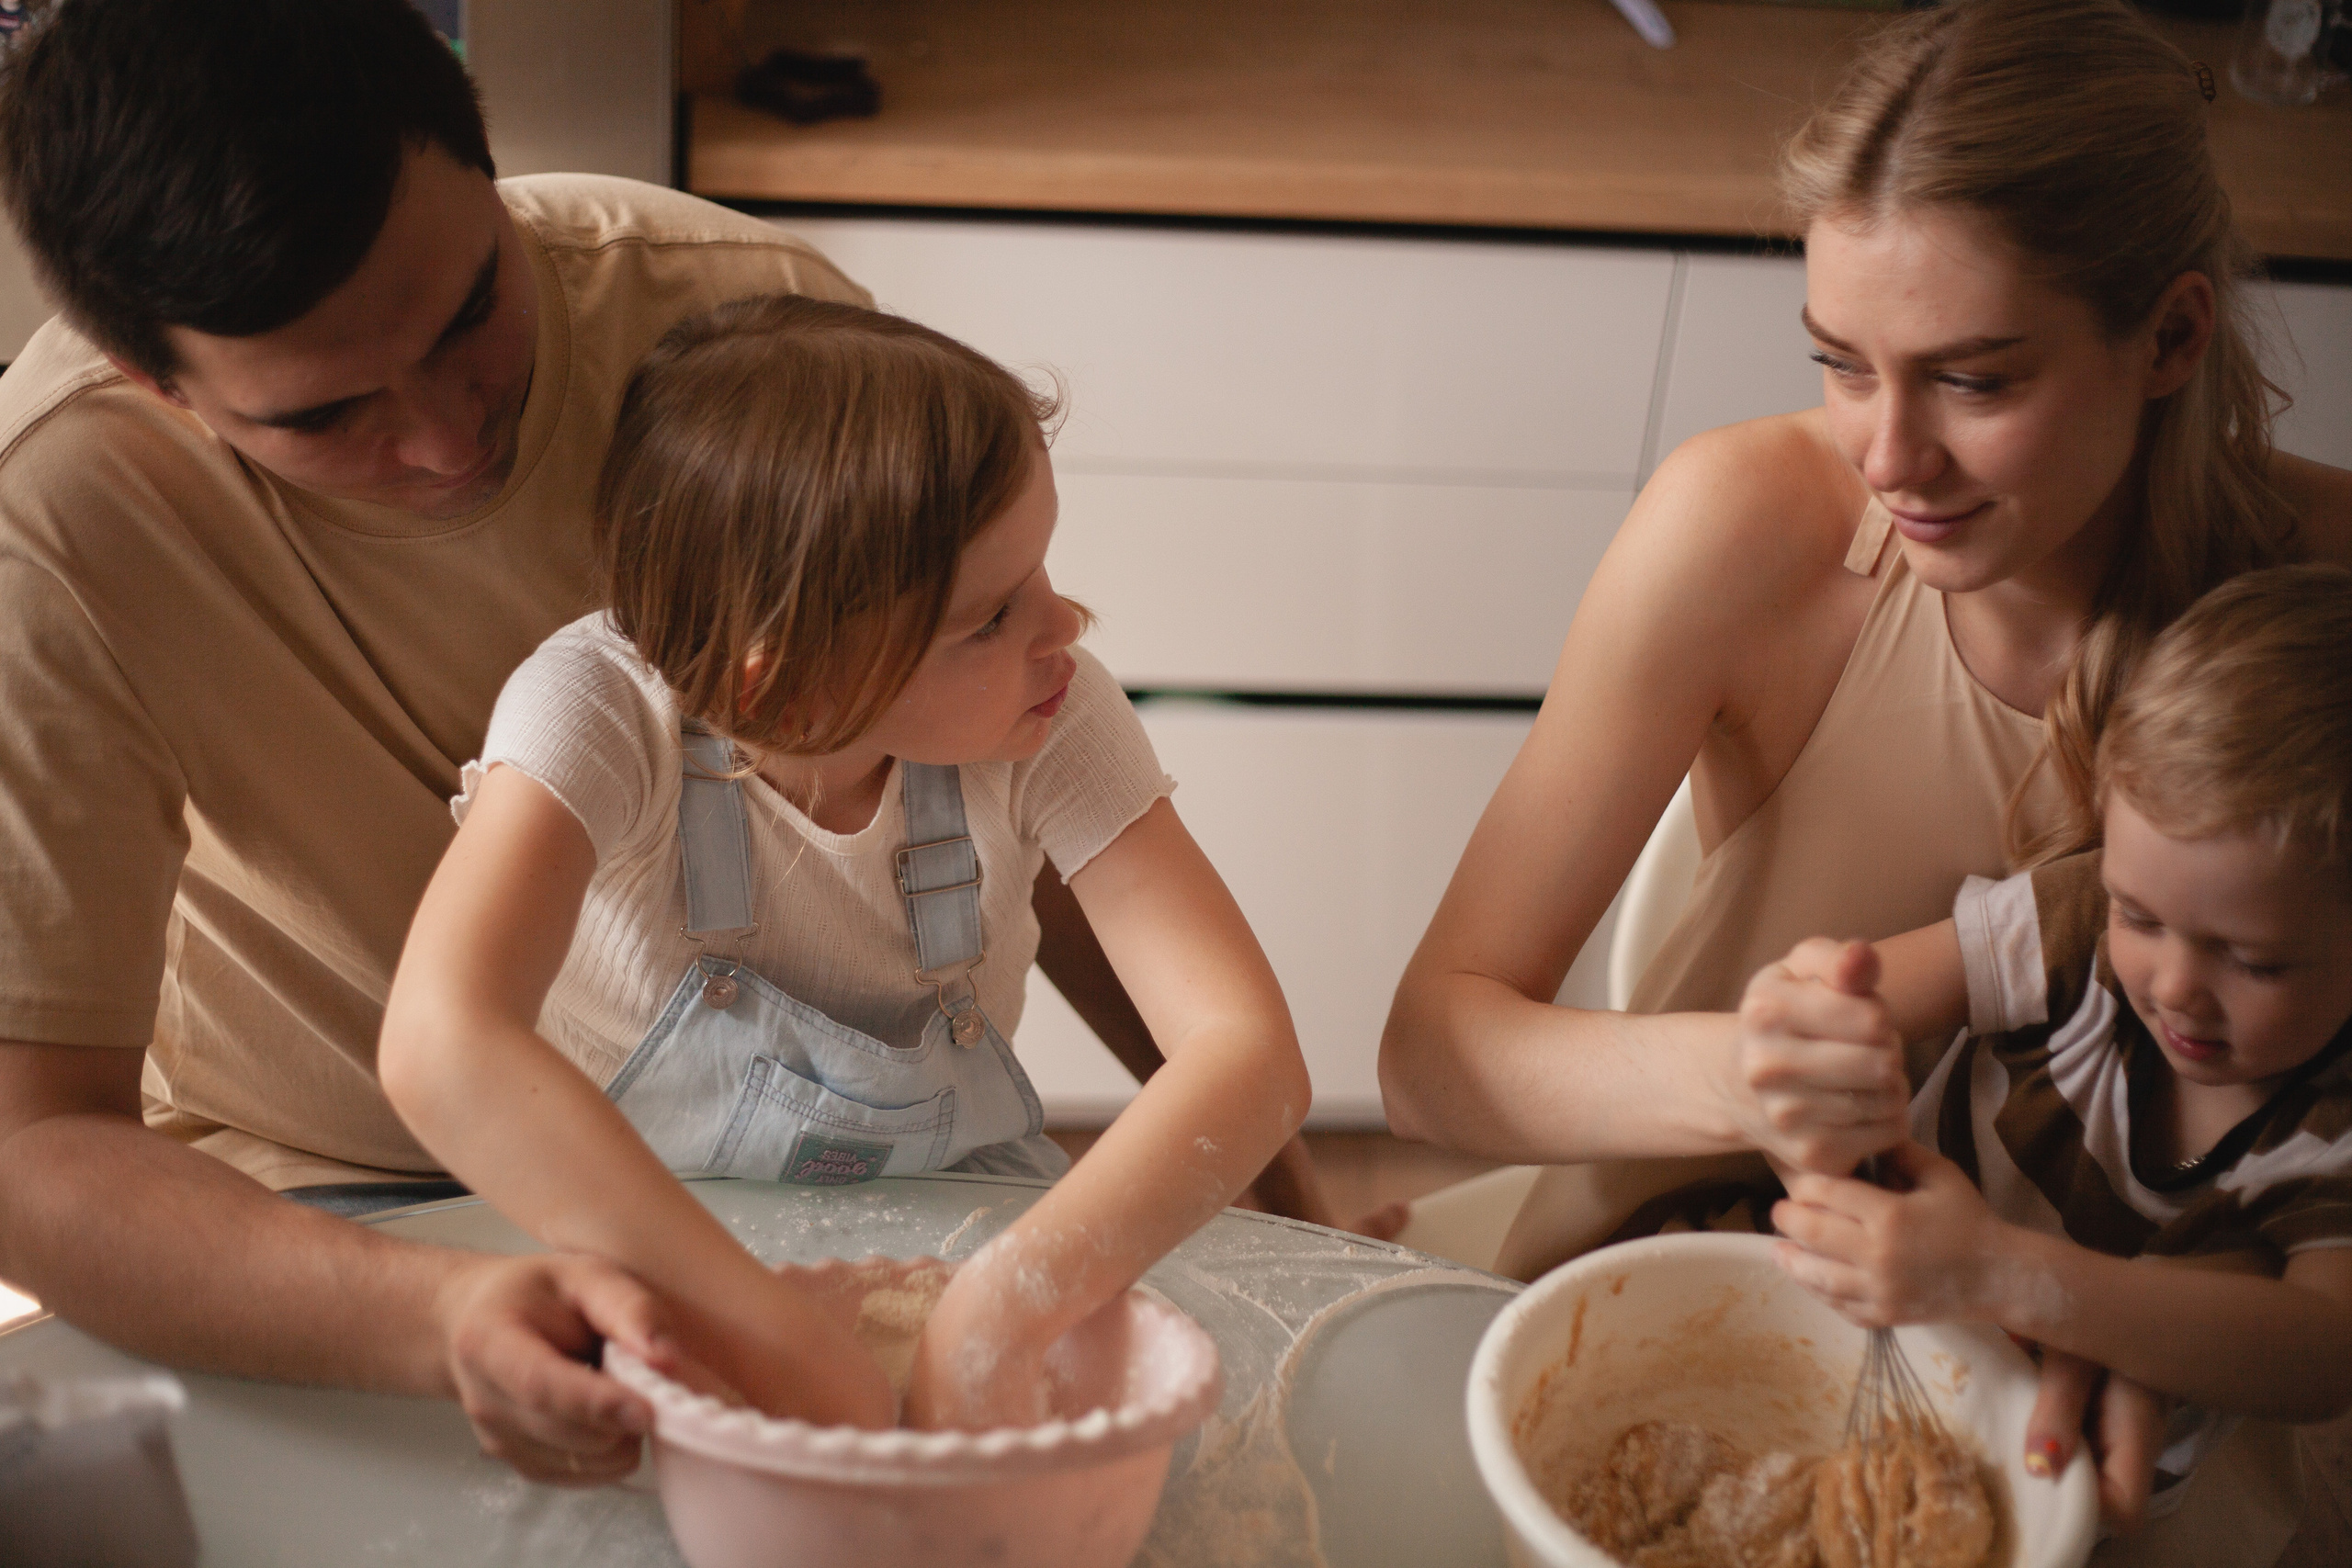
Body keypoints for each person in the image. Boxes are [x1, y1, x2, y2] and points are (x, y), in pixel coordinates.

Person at [0, 0, 1323, 1479]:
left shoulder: (749, 323)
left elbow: (1064, 842)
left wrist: (1264, 1173)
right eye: (326, 413)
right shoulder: (49, 528)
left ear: (491, 169)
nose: (447, 443)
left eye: (466, 318)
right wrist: (447, 1317)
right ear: (153, 385)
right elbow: (37, 1142)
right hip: (339, 1203)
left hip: (902, 1201)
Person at [1377, 0, 2349, 1525]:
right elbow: (1435, 1054)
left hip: (2142, 1377)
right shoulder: (1744, 527)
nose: (1888, 457)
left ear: (2169, 335)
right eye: (1843, 363)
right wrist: (1748, 1077)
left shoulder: (2326, 603)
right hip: (1691, 1250)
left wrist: (2120, 1299)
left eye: (1975, 379)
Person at [379, 296, 1312, 1429]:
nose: (1064, 621)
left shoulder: (1051, 705)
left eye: (1042, 570)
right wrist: (776, 1344)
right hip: (654, 1247)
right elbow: (441, 1046)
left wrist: (993, 1319)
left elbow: (1246, 1052)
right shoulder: (596, 713)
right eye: (990, 615)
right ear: (788, 684)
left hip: (969, 1231)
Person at [1758, 564, 2352, 1538]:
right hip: (1863, 1325)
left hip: (2087, 1470)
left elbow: (2321, 1355)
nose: (2171, 985)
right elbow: (1849, 1003)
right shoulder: (2073, 927)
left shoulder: (2328, 1125)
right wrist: (1819, 1017)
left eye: (2253, 961)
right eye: (2140, 915)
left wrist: (2004, 1273)